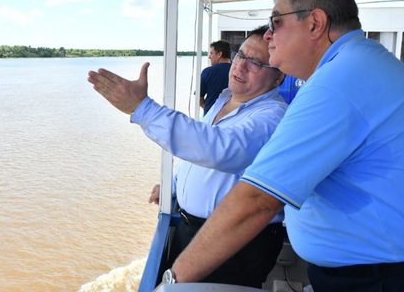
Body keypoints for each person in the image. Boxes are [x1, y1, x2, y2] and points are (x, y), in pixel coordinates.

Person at [164, 0, 404, 291]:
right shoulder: (363, 63)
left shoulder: (338, 82)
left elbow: (258, 201)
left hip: (374, 278)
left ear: (315, 23)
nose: (267, 35)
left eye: (276, 21)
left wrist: (170, 281)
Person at [88, 26, 287, 288]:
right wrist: (174, 186)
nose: (240, 66)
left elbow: (218, 150)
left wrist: (142, 109)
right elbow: (198, 154)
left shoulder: (273, 116)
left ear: (278, 77)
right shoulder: (224, 101)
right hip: (194, 230)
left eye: (256, 62)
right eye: (240, 55)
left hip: (234, 245)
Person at [200, 40, 232, 115]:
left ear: (219, 54)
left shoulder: (207, 72)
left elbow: (199, 98)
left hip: (211, 117)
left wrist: (210, 110)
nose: (209, 57)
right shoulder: (238, 71)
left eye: (211, 53)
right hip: (232, 115)